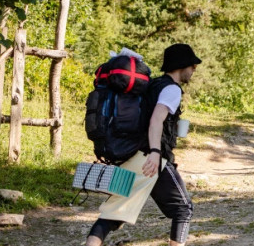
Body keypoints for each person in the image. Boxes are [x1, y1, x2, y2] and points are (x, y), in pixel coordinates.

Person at [86, 43, 201, 246]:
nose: (194, 70)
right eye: (192, 65)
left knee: (113, 215)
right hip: (151, 161)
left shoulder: (153, 85)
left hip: (130, 155)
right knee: (183, 209)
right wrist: (156, 153)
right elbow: (156, 120)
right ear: (182, 65)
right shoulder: (172, 89)